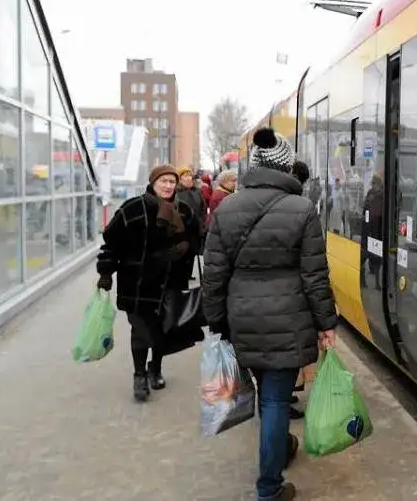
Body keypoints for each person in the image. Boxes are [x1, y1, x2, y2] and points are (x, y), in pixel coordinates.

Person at [202, 127, 338, 501]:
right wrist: (326, 323)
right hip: (289, 320)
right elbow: (314, 275)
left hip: (241, 319)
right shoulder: (302, 209)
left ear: (255, 164)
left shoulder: (227, 209)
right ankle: (268, 488)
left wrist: (216, 321)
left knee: (266, 397)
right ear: (287, 167)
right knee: (276, 400)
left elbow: (213, 274)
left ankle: (277, 453)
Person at [96, 164, 200, 402]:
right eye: (163, 181)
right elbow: (111, 242)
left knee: (162, 330)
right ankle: (139, 375)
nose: (168, 186)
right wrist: (105, 272)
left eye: (172, 182)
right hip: (138, 284)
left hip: (170, 283)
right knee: (141, 331)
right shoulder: (133, 208)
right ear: (153, 183)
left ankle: (156, 368)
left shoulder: (184, 211)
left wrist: (187, 247)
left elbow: (197, 236)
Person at [176, 167, 208, 267]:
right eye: (185, 176)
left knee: (193, 255)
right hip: (183, 231)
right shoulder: (176, 192)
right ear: (180, 179)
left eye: (190, 175)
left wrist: (202, 222)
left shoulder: (197, 191)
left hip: (196, 230)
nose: (189, 178)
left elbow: (203, 208)